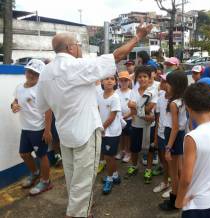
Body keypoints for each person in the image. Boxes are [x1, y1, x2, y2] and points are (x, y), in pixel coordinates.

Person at [36, 22, 152, 218]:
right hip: (85, 133)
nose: (80, 48)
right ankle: (76, 214)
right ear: (71, 48)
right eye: (78, 44)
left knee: (73, 179)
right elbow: (116, 56)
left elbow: (42, 106)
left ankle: (78, 211)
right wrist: (138, 37)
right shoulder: (76, 66)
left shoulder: (45, 73)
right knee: (84, 181)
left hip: (65, 134)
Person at [175, 83, 210, 218]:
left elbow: (186, 178)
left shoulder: (192, 137)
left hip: (197, 202)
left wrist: (179, 200)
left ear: (188, 108)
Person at [11, 59, 53, 196]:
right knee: (24, 154)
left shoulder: (41, 90)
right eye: (29, 71)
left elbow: (48, 111)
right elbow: (15, 101)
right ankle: (35, 173)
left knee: (42, 155)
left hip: (38, 129)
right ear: (25, 71)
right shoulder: (19, 87)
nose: (31, 75)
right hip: (26, 128)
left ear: (40, 75)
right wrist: (14, 106)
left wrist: (47, 131)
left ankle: (46, 181)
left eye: (35, 73)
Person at [159, 71, 188, 211]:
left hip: (173, 136)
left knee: (173, 171)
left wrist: (168, 148)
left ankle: (175, 200)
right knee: (179, 168)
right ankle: (183, 195)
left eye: (168, 83)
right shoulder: (182, 100)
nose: (166, 85)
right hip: (179, 135)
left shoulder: (173, 104)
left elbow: (175, 128)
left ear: (175, 86)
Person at [127, 65, 157, 184]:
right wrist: (143, 110)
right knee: (134, 148)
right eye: (139, 77)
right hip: (136, 125)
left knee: (150, 149)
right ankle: (134, 166)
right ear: (136, 79)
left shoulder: (153, 91)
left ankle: (148, 169)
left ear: (149, 78)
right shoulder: (134, 91)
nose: (142, 79)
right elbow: (130, 106)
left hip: (150, 125)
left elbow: (150, 107)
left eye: (145, 76)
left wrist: (137, 108)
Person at [97, 76, 122, 195]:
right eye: (106, 78)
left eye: (112, 79)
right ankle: (115, 175)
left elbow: (112, 117)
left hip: (111, 132)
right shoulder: (100, 95)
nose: (109, 81)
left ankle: (110, 178)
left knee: (108, 156)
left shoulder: (115, 97)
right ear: (102, 81)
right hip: (103, 130)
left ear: (115, 82)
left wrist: (102, 128)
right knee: (109, 156)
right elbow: (97, 111)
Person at [153, 75, 170, 197]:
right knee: (163, 160)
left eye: (164, 81)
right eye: (162, 80)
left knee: (173, 162)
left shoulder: (177, 100)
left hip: (171, 136)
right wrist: (156, 137)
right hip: (160, 134)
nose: (161, 82)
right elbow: (157, 118)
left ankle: (174, 185)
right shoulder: (160, 97)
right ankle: (165, 181)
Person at [115, 71, 132, 163]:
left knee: (128, 137)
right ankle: (121, 151)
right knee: (121, 136)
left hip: (129, 119)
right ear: (118, 81)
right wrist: (119, 116)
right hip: (118, 119)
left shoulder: (132, 92)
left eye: (126, 80)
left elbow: (134, 108)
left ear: (129, 81)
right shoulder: (116, 92)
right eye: (121, 80)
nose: (123, 82)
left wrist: (126, 116)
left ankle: (128, 152)